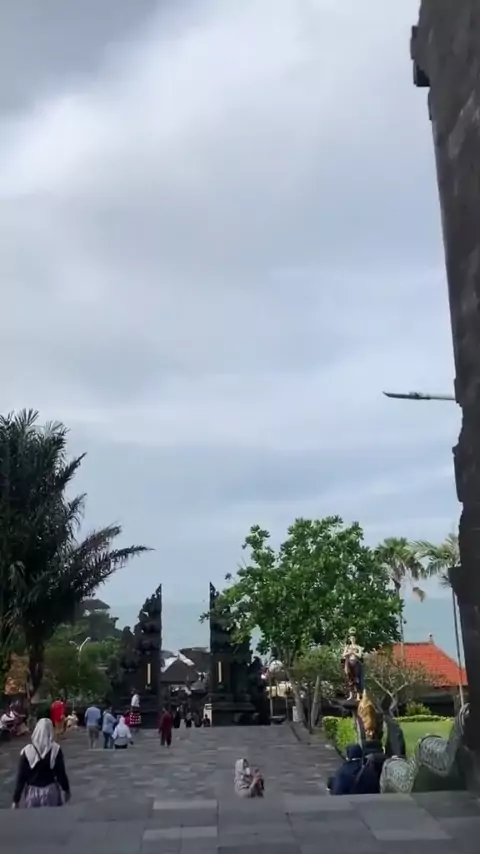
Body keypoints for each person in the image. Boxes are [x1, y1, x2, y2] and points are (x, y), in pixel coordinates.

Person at [11, 718, 70, 809]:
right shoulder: (56, 750)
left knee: (32, 818)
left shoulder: (26, 751)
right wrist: (66, 790)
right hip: (51, 792)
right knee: (52, 817)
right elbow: (61, 774)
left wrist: (16, 800)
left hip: (31, 794)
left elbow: (21, 777)